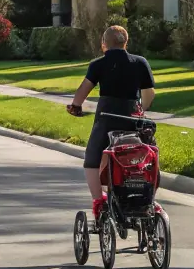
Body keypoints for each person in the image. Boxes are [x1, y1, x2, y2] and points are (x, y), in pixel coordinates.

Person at [66, 25, 156, 216]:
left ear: (104, 44)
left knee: (92, 158)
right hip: (132, 118)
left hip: (107, 118)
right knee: (145, 153)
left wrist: (75, 106)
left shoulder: (98, 64)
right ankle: (145, 199)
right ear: (126, 42)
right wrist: (142, 110)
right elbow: (149, 93)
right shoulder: (140, 62)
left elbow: (83, 90)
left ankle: (99, 200)